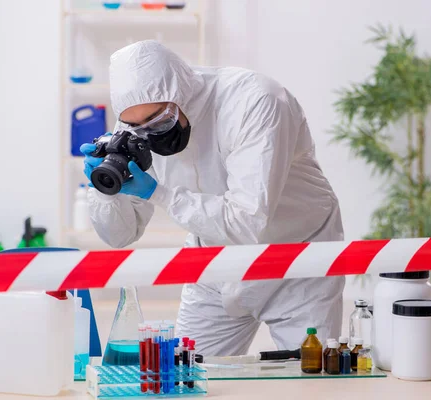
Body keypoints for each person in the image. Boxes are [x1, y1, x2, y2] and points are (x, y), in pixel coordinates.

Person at [81, 40, 345, 356]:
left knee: (310, 382)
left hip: (297, 262)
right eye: (138, 128)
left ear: (182, 94)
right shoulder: (136, 122)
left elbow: (248, 223)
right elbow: (121, 235)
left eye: (160, 122)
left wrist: (158, 193)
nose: (151, 135)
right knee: (190, 375)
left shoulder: (255, 101)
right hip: (214, 262)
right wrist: (106, 193)